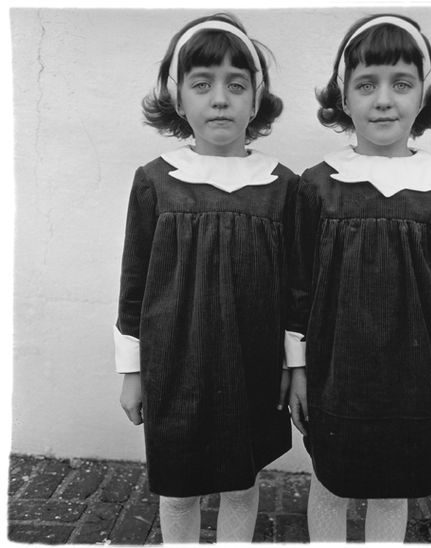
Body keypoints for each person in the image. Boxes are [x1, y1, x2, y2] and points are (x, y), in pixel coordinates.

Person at [286, 13, 431, 542]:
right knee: (331, 480)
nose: (384, 100)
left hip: (413, 375)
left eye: (402, 83)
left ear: (425, 94)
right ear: (344, 96)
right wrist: (297, 368)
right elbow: (297, 287)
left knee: (394, 486)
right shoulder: (318, 185)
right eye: (367, 84)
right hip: (336, 371)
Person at [114, 13, 296, 543]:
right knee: (180, 486)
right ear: (178, 98)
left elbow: (295, 289)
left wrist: (294, 364)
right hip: (176, 365)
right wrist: (132, 371)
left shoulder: (281, 186)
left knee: (242, 480)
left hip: (253, 363)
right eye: (202, 84)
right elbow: (134, 282)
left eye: (236, 85)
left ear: (256, 100)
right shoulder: (156, 181)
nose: (220, 99)